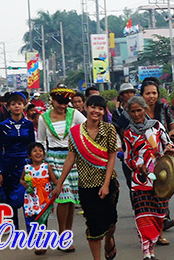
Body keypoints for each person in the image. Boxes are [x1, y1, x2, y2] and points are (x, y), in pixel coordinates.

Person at [55, 95, 120, 260]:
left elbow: (112, 157)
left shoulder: (109, 130)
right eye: (93, 107)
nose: (96, 111)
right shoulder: (76, 132)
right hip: (85, 186)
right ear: (86, 107)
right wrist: (59, 183)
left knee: (111, 222)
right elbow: (71, 158)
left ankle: (109, 241)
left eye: (100, 108)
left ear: (103, 111)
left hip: (108, 183)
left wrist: (105, 185)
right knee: (93, 225)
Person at [123, 96, 174, 260]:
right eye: (133, 111)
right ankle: (147, 252)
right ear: (129, 113)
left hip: (160, 178)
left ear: (144, 110)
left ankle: (151, 246)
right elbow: (127, 158)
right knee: (143, 216)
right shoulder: (128, 134)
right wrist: (139, 167)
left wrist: (169, 151)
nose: (137, 114)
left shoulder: (157, 127)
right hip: (140, 180)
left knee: (159, 215)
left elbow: (168, 143)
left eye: (139, 110)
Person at [37, 87, 85, 244]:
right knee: (63, 197)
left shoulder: (75, 114)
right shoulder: (43, 118)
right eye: (60, 102)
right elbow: (41, 141)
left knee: (71, 200)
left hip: (73, 159)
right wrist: (41, 163)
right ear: (52, 101)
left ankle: (67, 234)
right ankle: (62, 233)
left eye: (66, 103)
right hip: (54, 160)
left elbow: (88, 128)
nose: (63, 106)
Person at [140, 78, 174, 237]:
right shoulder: (138, 111)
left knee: (164, 184)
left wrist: (170, 135)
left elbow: (171, 125)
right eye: (147, 93)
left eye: (154, 93)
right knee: (151, 189)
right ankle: (154, 224)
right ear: (142, 95)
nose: (151, 96)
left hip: (164, 155)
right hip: (145, 156)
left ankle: (163, 217)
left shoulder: (163, 108)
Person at [0, 92, 36, 228]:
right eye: (13, 104)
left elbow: (33, 147)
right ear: (8, 107)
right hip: (8, 165)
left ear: (24, 106)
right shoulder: (3, 126)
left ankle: (31, 231)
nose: (16, 106)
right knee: (9, 198)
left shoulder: (29, 125)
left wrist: (35, 166)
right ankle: (14, 229)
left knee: (28, 197)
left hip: (25, 165)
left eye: (19, 103)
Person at [21, 142, 58, 255]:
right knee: (33, 221)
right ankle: (37, 242)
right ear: (29, 155)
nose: (38, 152)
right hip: (31, 198)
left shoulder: (46, 166)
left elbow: (53, 180)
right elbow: (21, 179)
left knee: (42, 221)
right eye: (35, 151)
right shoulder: (27, 168)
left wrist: (59, 186)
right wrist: (25, 184)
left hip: (44, 198)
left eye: (40, 150)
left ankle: (42, 243)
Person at [112, 82, 136, 189]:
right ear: (121, 96)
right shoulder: (117, 113)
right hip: (126, 148)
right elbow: (115, 131)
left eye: (131, 92)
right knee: (130, 180)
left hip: (141, 146)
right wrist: (119, 147)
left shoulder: (140, 108)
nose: (130, 95)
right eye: (127, 93)